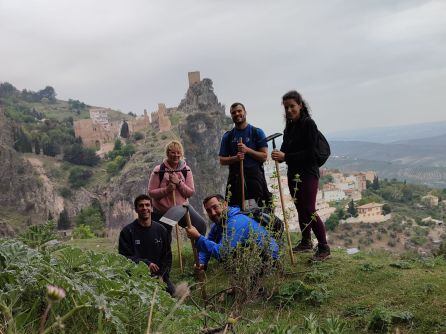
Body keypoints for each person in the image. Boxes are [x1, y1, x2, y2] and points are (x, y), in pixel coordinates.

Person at [271, 90, 330, 261]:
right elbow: (286, 150)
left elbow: (311, 153)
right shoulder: (289, 127)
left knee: (310, 210)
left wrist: (286, 157)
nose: (289, 110)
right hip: (293, 173)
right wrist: (279, 155)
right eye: (286, 107)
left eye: (292, 106)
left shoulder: (308, 124)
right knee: (300, 209)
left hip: (308, 173)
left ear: (300, 105)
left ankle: (324, 248)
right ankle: (306, 242)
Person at [185, 194, 279, 269]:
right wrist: (202, 262)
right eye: (208, 210)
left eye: (215, 207)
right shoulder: (218, 224)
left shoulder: (235, 222)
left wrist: (198, 237)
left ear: (225, 204)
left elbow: (223, 254)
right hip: (254, 256)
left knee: (229, 255)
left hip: (269, 259)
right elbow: (209, 241)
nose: (213, 213)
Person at [219, 102, 272, 210]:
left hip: (255, 178)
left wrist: (247, 150)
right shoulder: (228, 136)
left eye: (239, 111)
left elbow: (264, 156)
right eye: (233, 113)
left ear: (245, 112)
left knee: (260, 210)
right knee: (235, 211)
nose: (237, 114)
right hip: (235, 180)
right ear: (231, 115)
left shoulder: (257, 132)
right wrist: (236, 158)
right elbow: (222, 160)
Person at [118, 194, 175, 295]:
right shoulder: (127, 232)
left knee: (172, 294)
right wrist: (145, 264)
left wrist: (162, 276)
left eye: (147, 205)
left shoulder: (161, 230)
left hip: (159, 277)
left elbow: (167, 256)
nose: (145, 208)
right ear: (136, 209)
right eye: (141, 205)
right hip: (136, 278)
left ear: (152, 208)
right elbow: (124, 258)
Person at [148, 140, 195, 236]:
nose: (176, 155)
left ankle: (198, 249)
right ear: (167, 153)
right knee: (164, 236)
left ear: (181, 154)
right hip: (163, 211)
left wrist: (178, 182)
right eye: (173, 152)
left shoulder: (186, 170)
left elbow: (190, 192)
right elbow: (151, 192)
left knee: (200, 225)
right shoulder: (159, 170)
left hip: (181, 209)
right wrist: (167, 189)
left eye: (178, 153)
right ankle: (166, 251)